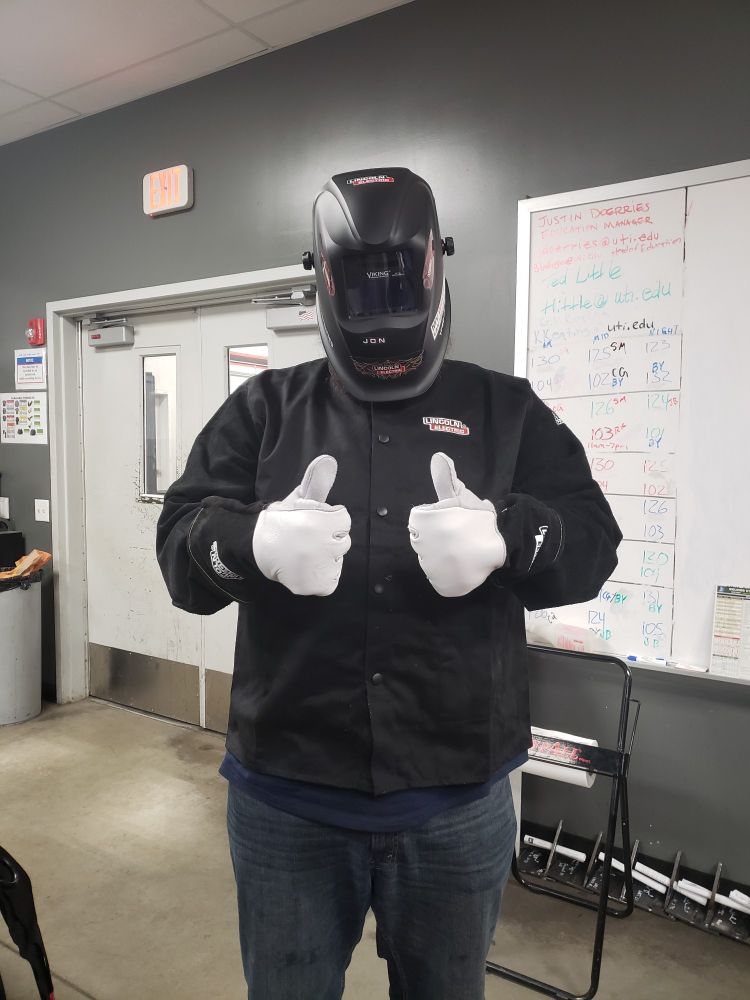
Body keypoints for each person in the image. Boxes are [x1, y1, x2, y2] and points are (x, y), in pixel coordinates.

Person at [156, 167, 621, 1000]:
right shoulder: (263, 410)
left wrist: (509, 538)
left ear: (435, 267)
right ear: (325, 281)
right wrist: (248, 541)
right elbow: (180, 556)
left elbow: (595, 544)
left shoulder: (507, 411)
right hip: (286, 800)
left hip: (456, 803)